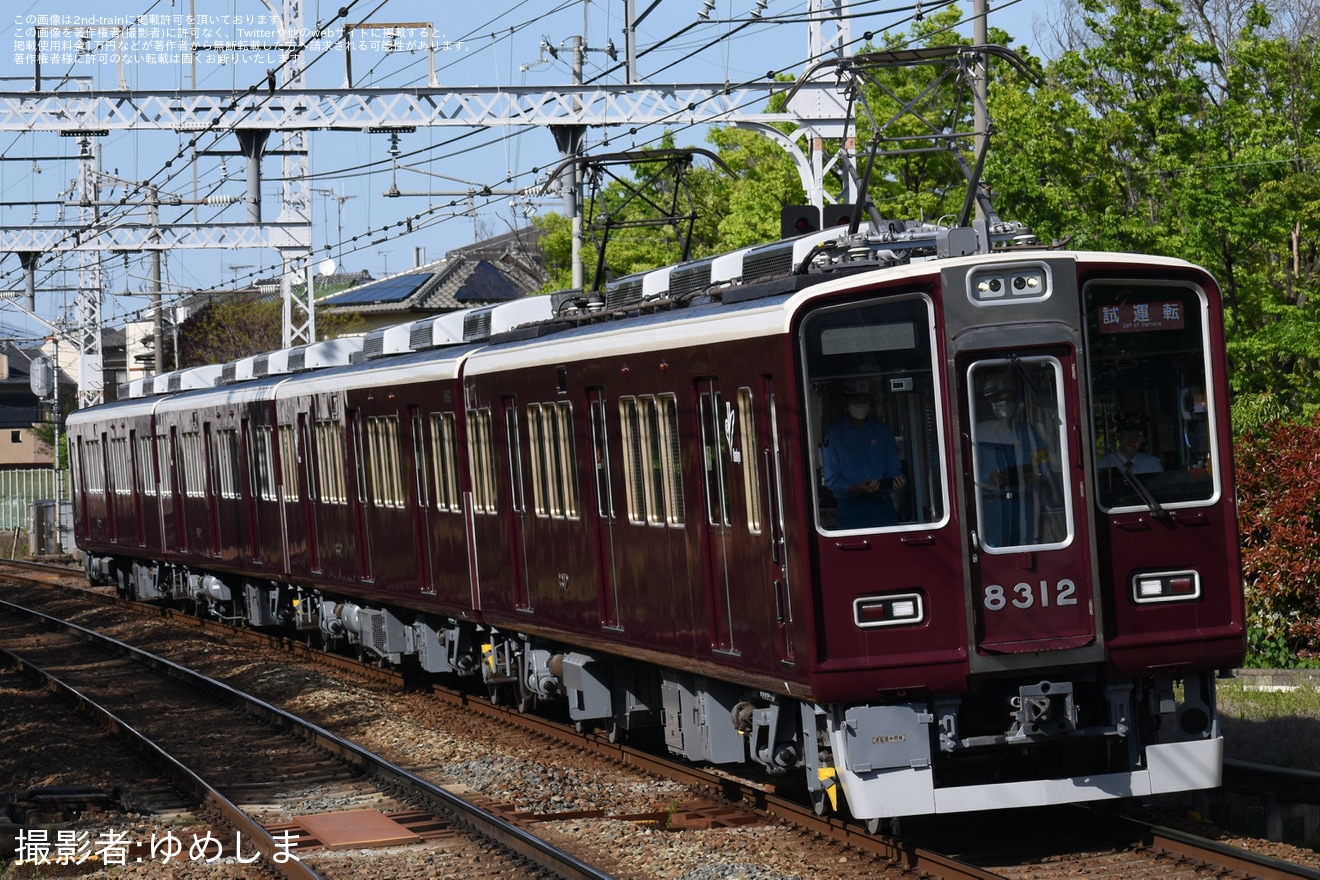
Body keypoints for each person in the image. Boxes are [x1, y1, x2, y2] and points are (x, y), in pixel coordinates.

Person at [974, 371, 1048, 547]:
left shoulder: (1029, 432)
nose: (1005, 402)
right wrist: (988, 477)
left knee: (1026, 547)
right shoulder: (977, 433)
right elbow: (966, 471)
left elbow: (1043, 461)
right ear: (990, 400)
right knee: (994, 549)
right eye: (999, 397)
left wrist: (1037, 474)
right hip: (992, 505)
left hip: (1025, 502)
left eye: (1009, 397)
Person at [822, 377, 907, 529]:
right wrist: (854, 488)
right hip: (850, 508)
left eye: (865, 399)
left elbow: (894, 470)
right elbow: (830, 479)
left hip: (882, 506)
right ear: (847, 401)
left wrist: (898, 481)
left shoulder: (882, 432)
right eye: (856, 399)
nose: (861, 403)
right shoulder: (834, 435)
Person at [1098, 413, 1163, 474]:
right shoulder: (1105, 464)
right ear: (1118, 435)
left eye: (1137, 436)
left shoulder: (1152, 464)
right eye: (1128, 434)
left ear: (1143, 439)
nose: (1132, 440)